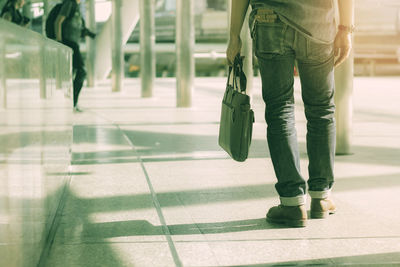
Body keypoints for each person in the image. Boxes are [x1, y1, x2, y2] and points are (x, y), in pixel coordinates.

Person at [227, 0, 354, 227]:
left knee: (279, 110)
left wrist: (234, 36)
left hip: (269, 20)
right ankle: (321, 197)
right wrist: (346, 28)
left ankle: (292, 202)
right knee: (321, 110)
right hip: (318, 23)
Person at [54, 0, 95, 112]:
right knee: (82, 71)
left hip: (73, 43)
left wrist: (86, 33)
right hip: (68, 43)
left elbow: (74, 27)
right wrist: (59, 43)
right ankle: (72, 102)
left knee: (73, 73)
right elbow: (58, 21)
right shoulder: (70, 3)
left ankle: (71, 102)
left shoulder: (77, 7)